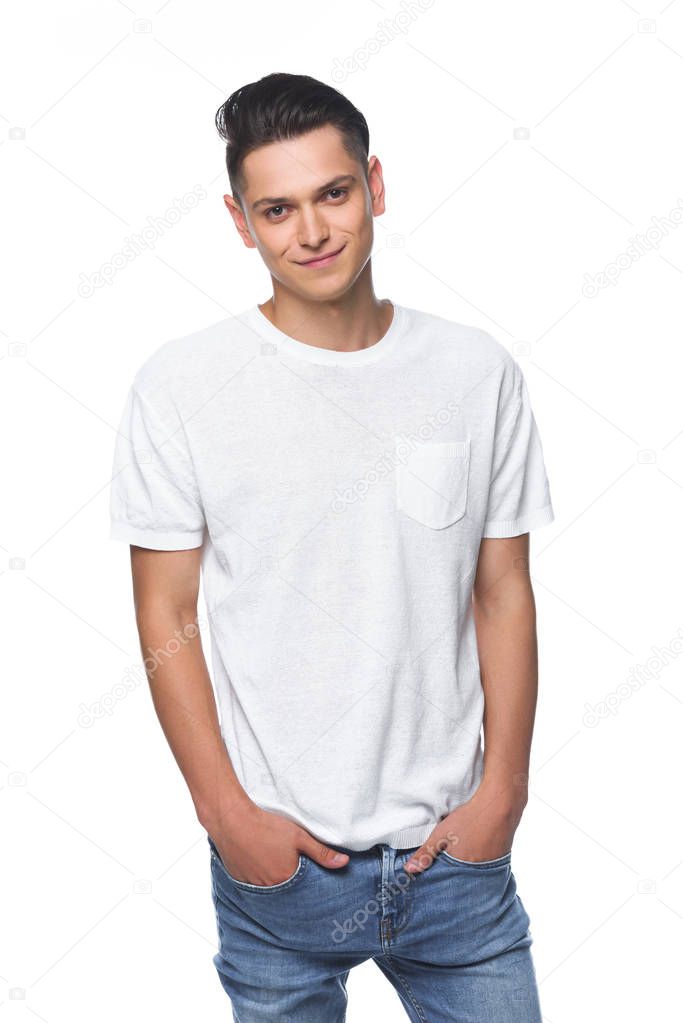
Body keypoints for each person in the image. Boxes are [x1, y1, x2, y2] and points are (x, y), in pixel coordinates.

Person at [109, 72, 555, 1022]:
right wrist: (225, 816)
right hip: (281, 871)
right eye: (276, 208)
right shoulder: (182, 385)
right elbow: (165, 612)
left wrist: (503, 791)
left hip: (454, 863)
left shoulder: (474, 373)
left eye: (332, 194)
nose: (309, 231)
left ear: (374, 184)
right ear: (241, 222)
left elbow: (502, 590)